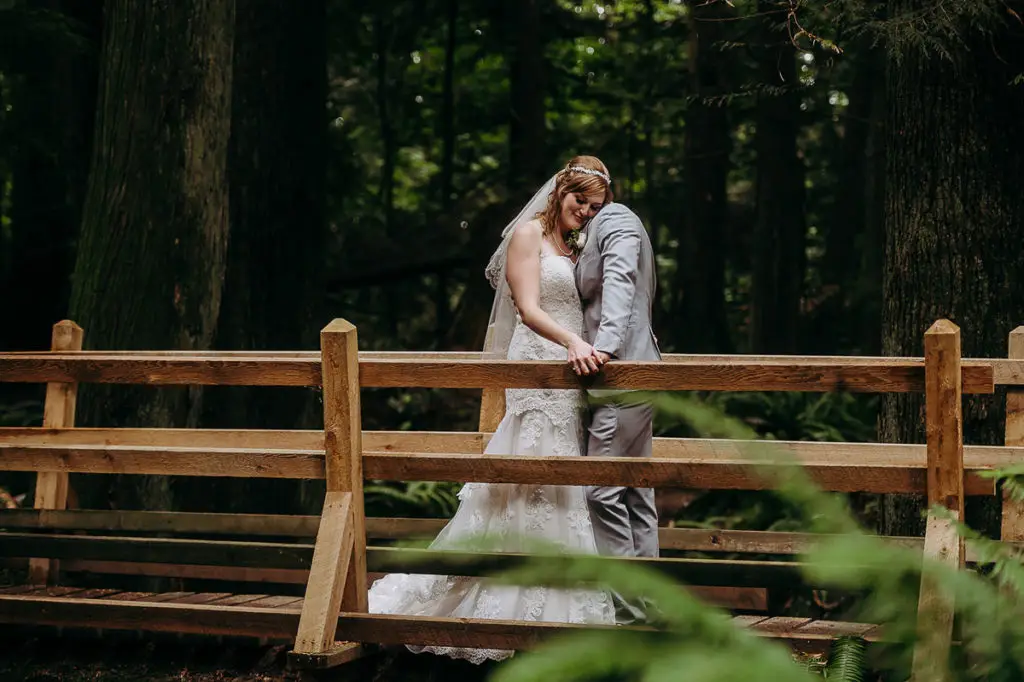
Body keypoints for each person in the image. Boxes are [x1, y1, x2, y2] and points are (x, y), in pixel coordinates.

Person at [368, 156, 617, 663]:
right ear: (559, 191)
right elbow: (528, 307)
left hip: (572, 372)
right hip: (538, 364)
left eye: (595, 206)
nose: (586, 212)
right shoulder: (527, 234)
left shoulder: (575, 247)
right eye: (580, 200)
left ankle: (561, 602)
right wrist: (573, 340)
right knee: (524, 472)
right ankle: (495, 593)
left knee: (563, 475)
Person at [574, 194, 662, 625]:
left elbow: (622, 280)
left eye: (587, 199)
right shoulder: (602, 223)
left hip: (622, 373)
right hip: (633, 369)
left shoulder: (617, 219)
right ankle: (650, 606)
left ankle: (629, 616)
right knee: (634, 489)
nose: (583, 209)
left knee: (602, 491)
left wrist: (605, 350)